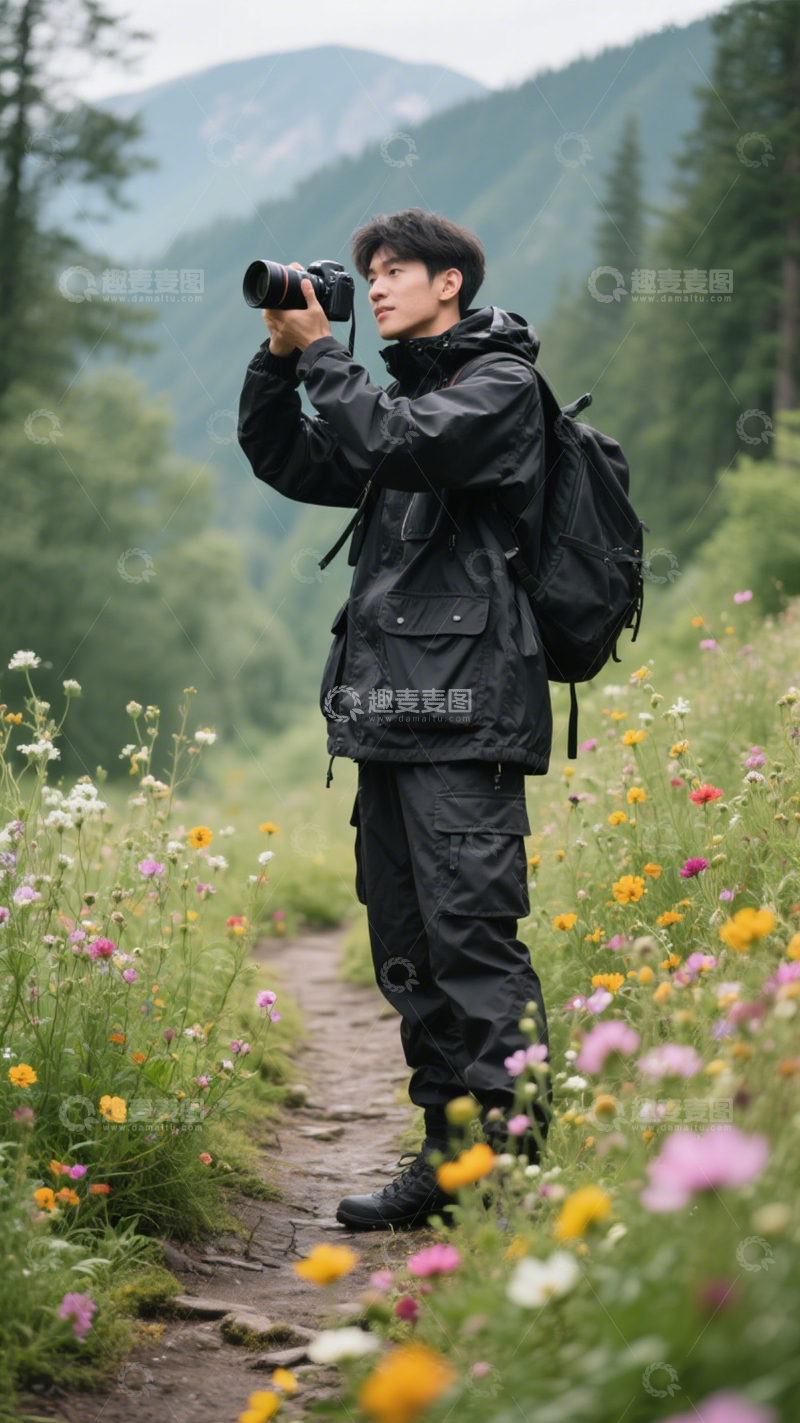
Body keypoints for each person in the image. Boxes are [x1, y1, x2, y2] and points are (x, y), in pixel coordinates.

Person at [237, 207, 553, 1230]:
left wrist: (328, 355)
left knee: (470, 941)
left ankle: (510, 1168)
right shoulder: (401, 398)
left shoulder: (497, 388)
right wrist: (279, 355)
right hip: (388, 717)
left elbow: (396, 439)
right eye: (364, 275)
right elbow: (285, 456)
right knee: (407, 948)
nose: (372, 289)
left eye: (393, 272)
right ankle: (446, 1158)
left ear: (448, 282)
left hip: (465, 716)